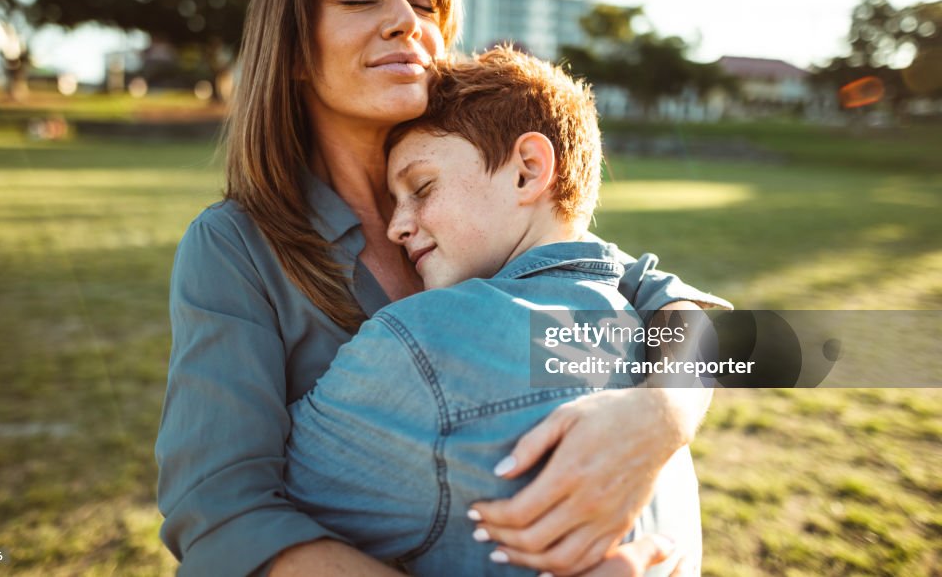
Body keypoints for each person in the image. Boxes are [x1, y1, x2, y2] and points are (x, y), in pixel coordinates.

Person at [155, 0, 728, 576]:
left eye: (426, 3)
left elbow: (706, 323)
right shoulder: (235, 245)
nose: (407, 21)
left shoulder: (481, 204)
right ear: (295, 48)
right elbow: (222, 515)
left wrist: (658, 416)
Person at [283, 46, 705, 577]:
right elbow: (797, 348)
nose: (396, 227)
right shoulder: (643, 323)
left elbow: (254, 502)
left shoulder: (427, 337)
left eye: (421, 187)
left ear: (528, 171)